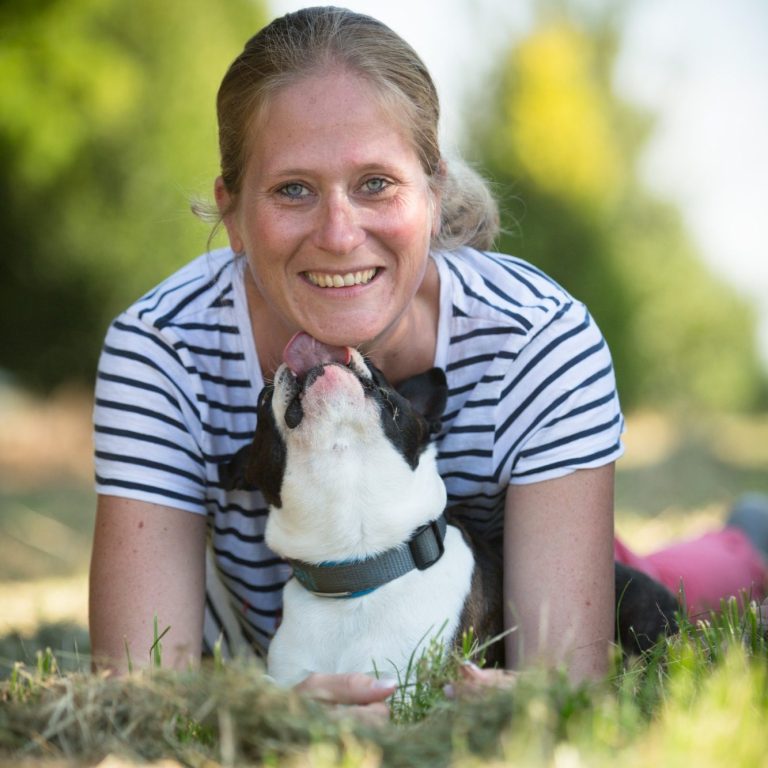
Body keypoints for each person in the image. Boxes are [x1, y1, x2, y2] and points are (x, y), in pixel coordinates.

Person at [88, 7, 767, 712]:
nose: (338, 234)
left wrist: (511, 701)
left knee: (654, 584)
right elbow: (137, 695)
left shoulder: (537, 340)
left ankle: (748, 545)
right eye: (293, 189)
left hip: (530, 555)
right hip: (304, 633)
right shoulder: (162, 351)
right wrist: (275, 715)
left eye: (375, 183)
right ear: (232, 214)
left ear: (434, 193)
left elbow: (563, 687)